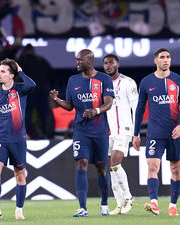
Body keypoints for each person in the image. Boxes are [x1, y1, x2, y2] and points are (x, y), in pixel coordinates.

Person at [50, 49, 114, 217]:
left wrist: (96, 110)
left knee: (101, 168)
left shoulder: (104, 79)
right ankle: (82, 208)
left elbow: (108, 103)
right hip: (81, 131)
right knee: (81, 163)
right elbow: (70, 106)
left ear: (90, 61)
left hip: (100, 131)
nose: (77, 63)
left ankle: (104, 204)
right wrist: (57, 100)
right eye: (76, 60)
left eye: (80, 60)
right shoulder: (73, 80)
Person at [132, 48, 180, 216]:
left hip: (175, 133)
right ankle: (154, 203)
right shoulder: (146, 82)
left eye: (168, 57)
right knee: (152, 166)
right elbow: (140, 109)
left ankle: (173, 205)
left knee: (176, 169)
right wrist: (136, 133)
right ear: (155, 61)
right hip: (155, 133)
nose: (166, 60)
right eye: (162, 57)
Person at [0, 58, 36, 220]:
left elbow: (33, 85)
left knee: (20, 175)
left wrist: (21, 70)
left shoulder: (20, 89)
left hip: (18, 140)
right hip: (0, 139)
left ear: (12, 75)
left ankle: (19, 210)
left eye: (3, 71)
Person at [103, 54, 138, 215]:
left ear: (118, 64)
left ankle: (128, 197)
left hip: (123, 130)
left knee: (116, 164)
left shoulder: (128, 82)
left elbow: (136, 108)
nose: (108, 65)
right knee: (110, 168)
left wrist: (136, 133)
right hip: (107, 131)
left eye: (111, 62)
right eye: (105, 63)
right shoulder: (103, 83)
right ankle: (119, 203)